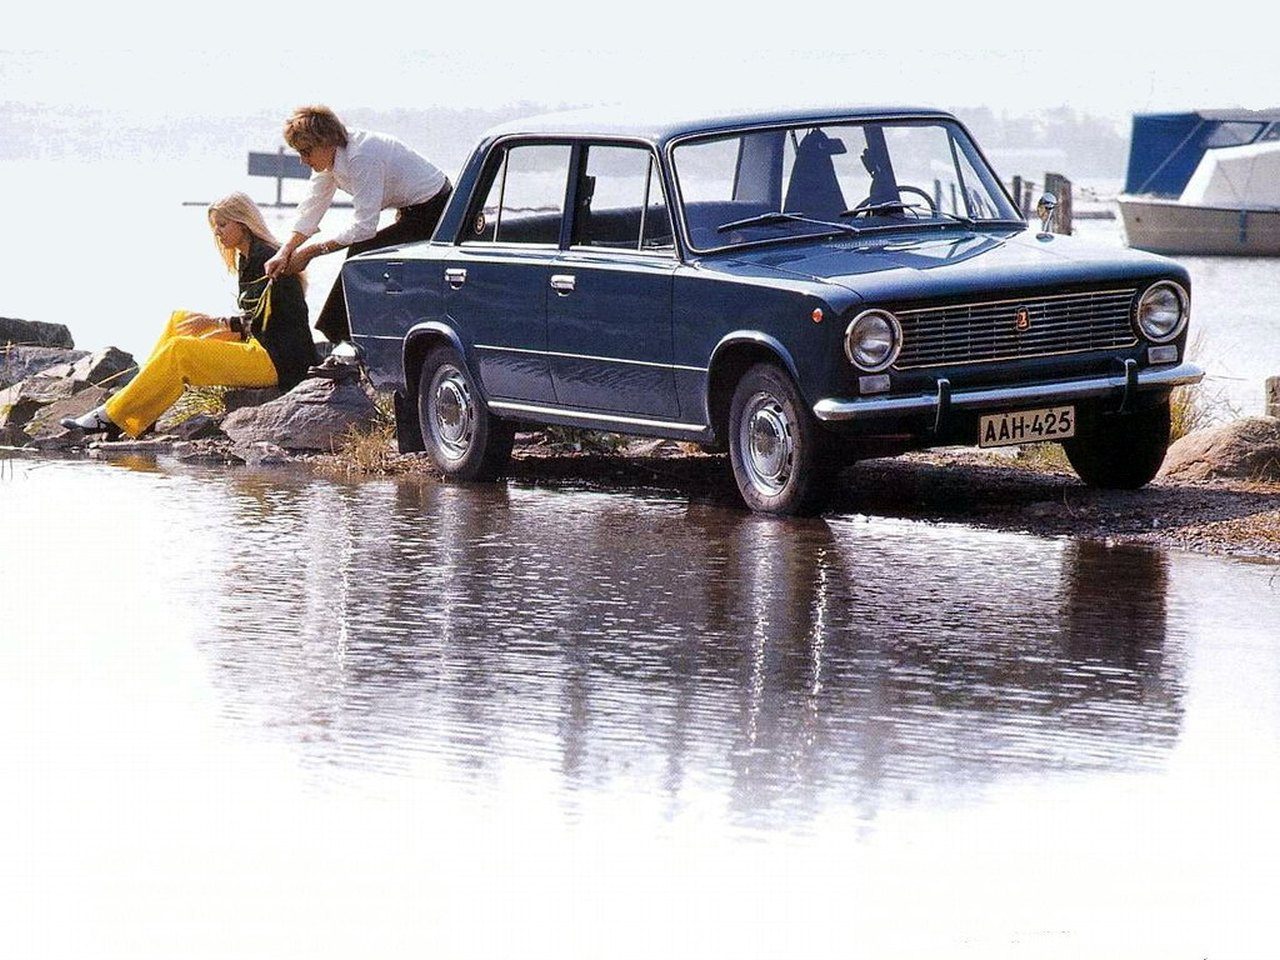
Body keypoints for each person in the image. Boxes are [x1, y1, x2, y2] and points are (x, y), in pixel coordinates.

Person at [63, 192, 318, 440]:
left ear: (243, 224)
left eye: (222, 224)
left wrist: (215, 324)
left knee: (180, 351)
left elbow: (261, 320)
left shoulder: (264, 257)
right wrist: (217, 327)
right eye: (214, 226)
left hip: (280, 361)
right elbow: (258, 318)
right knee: (180, 320)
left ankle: (111, 416)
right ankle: (142, 407)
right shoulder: (247, 256)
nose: (217, 232)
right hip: (263, 345)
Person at [265, 105, 452, 343]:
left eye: (306, 152)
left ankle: (343, 340)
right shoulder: (330, 158)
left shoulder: (361, 156)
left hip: (436, 211)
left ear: (325, 142)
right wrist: (285, 251)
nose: (302, 160)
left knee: (360, 256)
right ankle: (347, 338)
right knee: (363, 254)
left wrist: (311, 252)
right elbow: (312, 208)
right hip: (413, 211)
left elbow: (364, 228)